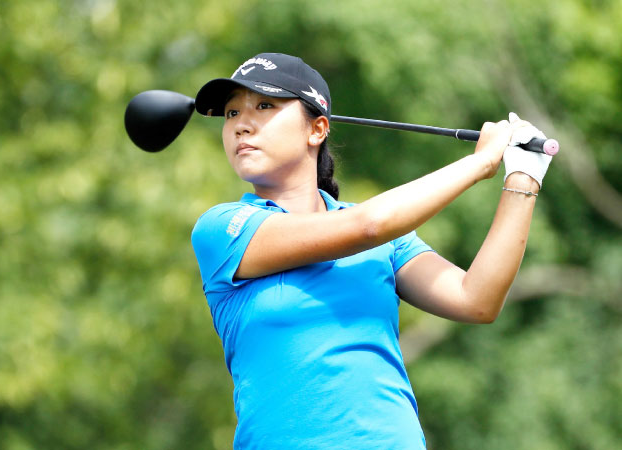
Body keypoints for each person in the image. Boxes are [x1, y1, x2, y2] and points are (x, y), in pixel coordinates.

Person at [190, 53, 553, 449]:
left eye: (264, 106)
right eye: (230, 114)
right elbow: (368, 226)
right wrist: (481, 162)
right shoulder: (223, 229)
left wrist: (524, 176)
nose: (241, 124)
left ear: (317, 130)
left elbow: (476, 299)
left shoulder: (387, 243)